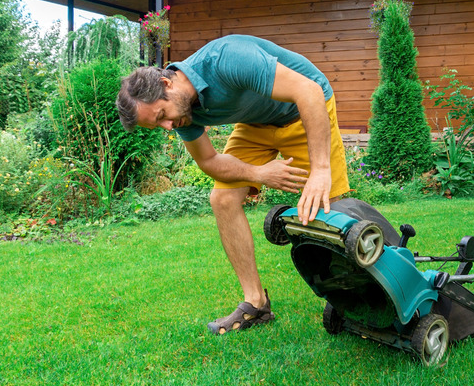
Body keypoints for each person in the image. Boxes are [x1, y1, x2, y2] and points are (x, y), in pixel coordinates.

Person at [117, 34, 349, 334]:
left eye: (162, 115)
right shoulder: (184, 113)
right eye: (158, 125)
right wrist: (259, 174)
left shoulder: (229, 59)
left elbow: (309, 90)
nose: (168, 126)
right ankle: (256, 303)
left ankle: (357, 295)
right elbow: (210, 162)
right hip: (255, 124)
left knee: (333, 209)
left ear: (166, 84)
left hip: (303, 108)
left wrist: (319, 170)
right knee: (223, 199)